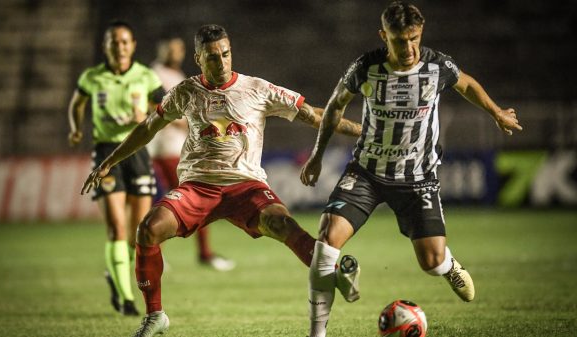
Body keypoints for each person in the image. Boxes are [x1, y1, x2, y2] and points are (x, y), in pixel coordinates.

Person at [81, 24, 362, 337]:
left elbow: (314, 116)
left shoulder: (257, 89)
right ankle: (155, 316)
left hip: (246, 186)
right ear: (199, 59)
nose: (222, 62)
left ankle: (337, 271)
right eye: (213, 57)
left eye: (226, 54)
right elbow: (148, 127)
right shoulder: (186, 91)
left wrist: (361, 131)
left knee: (285, 225)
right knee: (148, 230)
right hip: (197, 187)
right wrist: (109, 161)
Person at [300, 2, 523, 337]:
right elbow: (334, 106)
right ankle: (317, 334)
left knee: (431, 263)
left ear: (421, 33)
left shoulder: (437, 65)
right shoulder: (366, 67)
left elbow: (466, 84)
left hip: (418, 178)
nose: (408, 48)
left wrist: (496, 113)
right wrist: (317, 155)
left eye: (414, 38)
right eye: (399, 40)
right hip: (366, 173)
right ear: (383, 36)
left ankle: (447, 265)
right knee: (325, 244)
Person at [68, 20, 165, 316]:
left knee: (140, 232)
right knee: (116, 228)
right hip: (106, 153)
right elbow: (77, 103)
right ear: (106, 46)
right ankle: (126, 299)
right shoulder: (92, 77)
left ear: (133, 45)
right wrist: (75, 129)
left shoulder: (146, 76)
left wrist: (146, 113)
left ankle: (116, 274)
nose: (120, 47)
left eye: (125, 42)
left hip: (136, 152)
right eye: (114, 42)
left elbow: (168, 109)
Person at [148, 37, 235, 271]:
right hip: (166, 148)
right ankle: (197, 254)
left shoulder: (175, 75)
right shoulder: (156, 74)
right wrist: (187, 123)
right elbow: (155, 107)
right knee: (193, 200)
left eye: (179, 48)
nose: (175, 52)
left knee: (178, 201)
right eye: (171, 47)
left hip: (179, 148)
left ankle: (167, 252)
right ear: (162, 48)